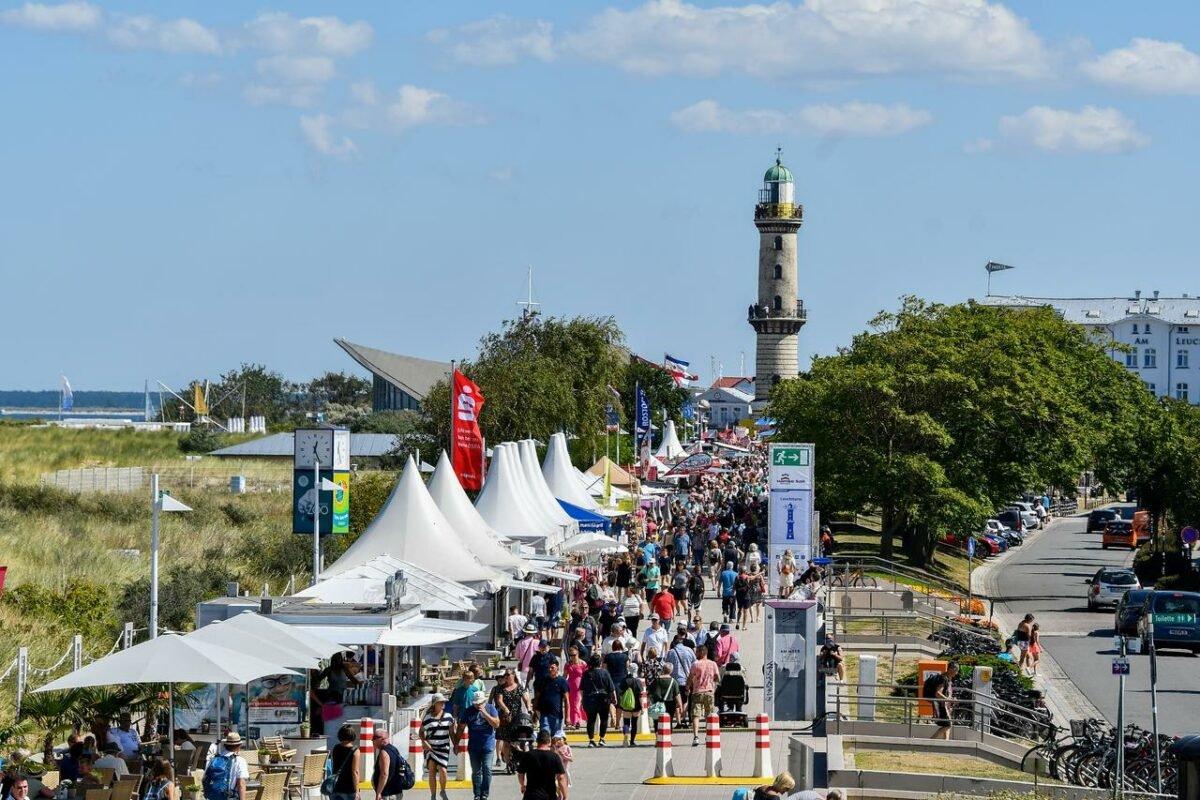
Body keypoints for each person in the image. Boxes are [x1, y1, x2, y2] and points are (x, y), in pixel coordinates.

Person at [490, 669, 530, 772]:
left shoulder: (519, 687)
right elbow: (499, 700)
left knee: (519, 739)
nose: (506, 676)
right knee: (506, 742)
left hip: (517, 717)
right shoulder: (500, 688)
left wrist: (529, 708)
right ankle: (508, 764)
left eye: (508, 674)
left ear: (513, 675)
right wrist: (505, 709)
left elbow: (526, 698)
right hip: (505, 717)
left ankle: (519, 759)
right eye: (505, 675)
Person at [462, 693, 500, 800]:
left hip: (487, 745)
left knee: (487, 769)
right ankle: (477, 794)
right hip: (474, 746)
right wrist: (456, 742)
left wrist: (485, 713)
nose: (478, 705)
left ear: (484, 701)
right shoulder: (469, 710)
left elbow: (497, 724)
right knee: (476, 771)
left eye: (480, 703)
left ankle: (485, 793)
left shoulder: (490, 708)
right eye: (476, 703)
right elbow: (461, 726)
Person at [516, 731, 567, 800]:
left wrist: (522, 785)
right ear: (549, 741)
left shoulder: (528, 755)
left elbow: (520, 773)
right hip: (549, 795)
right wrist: (565, 796)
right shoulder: (554, 756)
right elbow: (561, 778)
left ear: (537, 741)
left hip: (531, 795)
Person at [420, 694, 454, 800]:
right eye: (440, 702)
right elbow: (421, 732)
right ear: (435, 704)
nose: (443, 704)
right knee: (432, 771)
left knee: (443, 770)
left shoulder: (448, 716)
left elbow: (452, 733)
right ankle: (433, 795)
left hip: (444, 748)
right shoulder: (428, 717)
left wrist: (456, 745)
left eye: (444, 702)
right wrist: (424, 741)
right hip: (431, 748)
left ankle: (443, 791)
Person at [686, 645, 720, 747]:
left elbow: (690, 677)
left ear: (701, 653)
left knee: (696, 715)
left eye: (697, 652)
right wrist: (713, 683)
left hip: (697, 692)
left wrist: (687, 687)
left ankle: (696, 737)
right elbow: (717, 677)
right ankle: (708, 735)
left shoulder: (695, 664)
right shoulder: (713, 664)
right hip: (709, 691)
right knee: (709, 715)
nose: (695, 654)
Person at [580, 655, 617, 747]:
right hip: (603, 699)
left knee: (591, 720)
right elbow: (611, 688)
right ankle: (602, 738)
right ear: (600, 663)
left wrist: (582, 700)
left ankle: (591, 740)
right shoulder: (605, 673)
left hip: (590, 699)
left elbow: (581, 689)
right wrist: (614, 698)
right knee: (604, 719)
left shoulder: (586, 673)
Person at [202, 731, 249, 800]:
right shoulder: (239, 761)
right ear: (239, 746)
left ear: (225, 745)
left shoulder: (213, 758)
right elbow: (241, 784)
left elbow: (205, 778)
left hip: (212, 796)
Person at [924, 662, 959, 740]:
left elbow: (946, 692)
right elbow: (938, 693)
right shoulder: (943, 678)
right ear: (951, 669)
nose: (956, 673)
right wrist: (948, 699)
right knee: (948, 725)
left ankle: (946, 742)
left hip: (945, 705)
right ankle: (930, 740)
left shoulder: (948, 679)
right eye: (956, 670)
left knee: (948, 724)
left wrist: (951, 699)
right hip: (941, 705)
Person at [534, 661, 569, 737]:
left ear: (557, 668)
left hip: (557, 715)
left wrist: (567, 716)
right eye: (549, 667)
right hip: (544, 714)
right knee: (544, 735)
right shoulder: (543, 680)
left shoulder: (562, 681)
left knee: (555, 738)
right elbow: (537, 696)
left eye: (552, 667)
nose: (550, 669)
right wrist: (535, 711)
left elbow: (566, 700)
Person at [371, 728, 406, 800]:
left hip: (388, 794)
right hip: (396, 791)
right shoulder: (394, 749)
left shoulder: (384, 752)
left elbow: (384, 774)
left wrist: (379, 793)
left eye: (374, 738)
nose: (373, 741)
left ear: (381, 739)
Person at [327, 725, 360, 800]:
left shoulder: (336, 748)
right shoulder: (355, 751)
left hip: (335, 787)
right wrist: (357, 790)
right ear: (353, 735)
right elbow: (355, 772)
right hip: (349, 789)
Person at [563, 647, 587, 730]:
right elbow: (564, 676)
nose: (572, 657)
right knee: (571, 704)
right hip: (570, 686)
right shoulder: (567, 664)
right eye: (571, 655)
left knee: (577, 704)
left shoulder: (583, 664)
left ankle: (576, 721)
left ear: (578, 654)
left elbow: (586, 676)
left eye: (574, 655)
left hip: (580, 686)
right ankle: (575, 721)